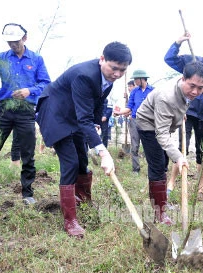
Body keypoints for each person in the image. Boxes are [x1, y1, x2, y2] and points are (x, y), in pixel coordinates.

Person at [35, 41, 131, 238]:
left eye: (122, 70)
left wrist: (96, 122)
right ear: (102, 59)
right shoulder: (85, 75)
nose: (117, 74)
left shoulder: (108, 79)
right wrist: (103, 152)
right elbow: (84, 119)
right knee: (70, 162)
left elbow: (98, 102)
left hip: (75, 116)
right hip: (55, 113)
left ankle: (83, 199)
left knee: (82, 159)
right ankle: (70, 220)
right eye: (114, 68)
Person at [0, 23, 51, 205]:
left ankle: (27, 193)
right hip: (4, 109)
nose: (13, 45)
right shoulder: (0, 59)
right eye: (9, 42)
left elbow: (46, 83)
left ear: (25, 38)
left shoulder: (36, 59)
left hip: (26, 110)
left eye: (16, 41)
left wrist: (29, 90)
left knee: (28, 153)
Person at [136, 61, 203, 226]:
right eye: (192, 86)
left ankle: (161, 200)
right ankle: (159, 213)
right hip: (148, 124)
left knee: (163, 164)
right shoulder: (166, 97)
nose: (196, 91)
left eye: (201, 88)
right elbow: (161, 134)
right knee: (157, 165)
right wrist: (179, 157)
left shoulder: (187, 90)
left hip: (162, 124)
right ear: (183, 79)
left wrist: (178, 114)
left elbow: (177, 107)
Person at [165, 32, 203, 198]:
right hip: (187, 111)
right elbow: (169, 59)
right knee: (181, 148)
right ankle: (171, 182)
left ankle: (202, 186)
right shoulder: (192, 61)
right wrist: (177, 42)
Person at [113, 70, 154, 174]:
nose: (135, 81)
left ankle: (152, 169)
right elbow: (129, 107)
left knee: (149, 147)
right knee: (134, 146)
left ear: (142, 79)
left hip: (149, 122)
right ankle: (136, 169)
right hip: (135, 121)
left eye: (136, 79)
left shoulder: (153, 91)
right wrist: (119, 112)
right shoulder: (134, 92)